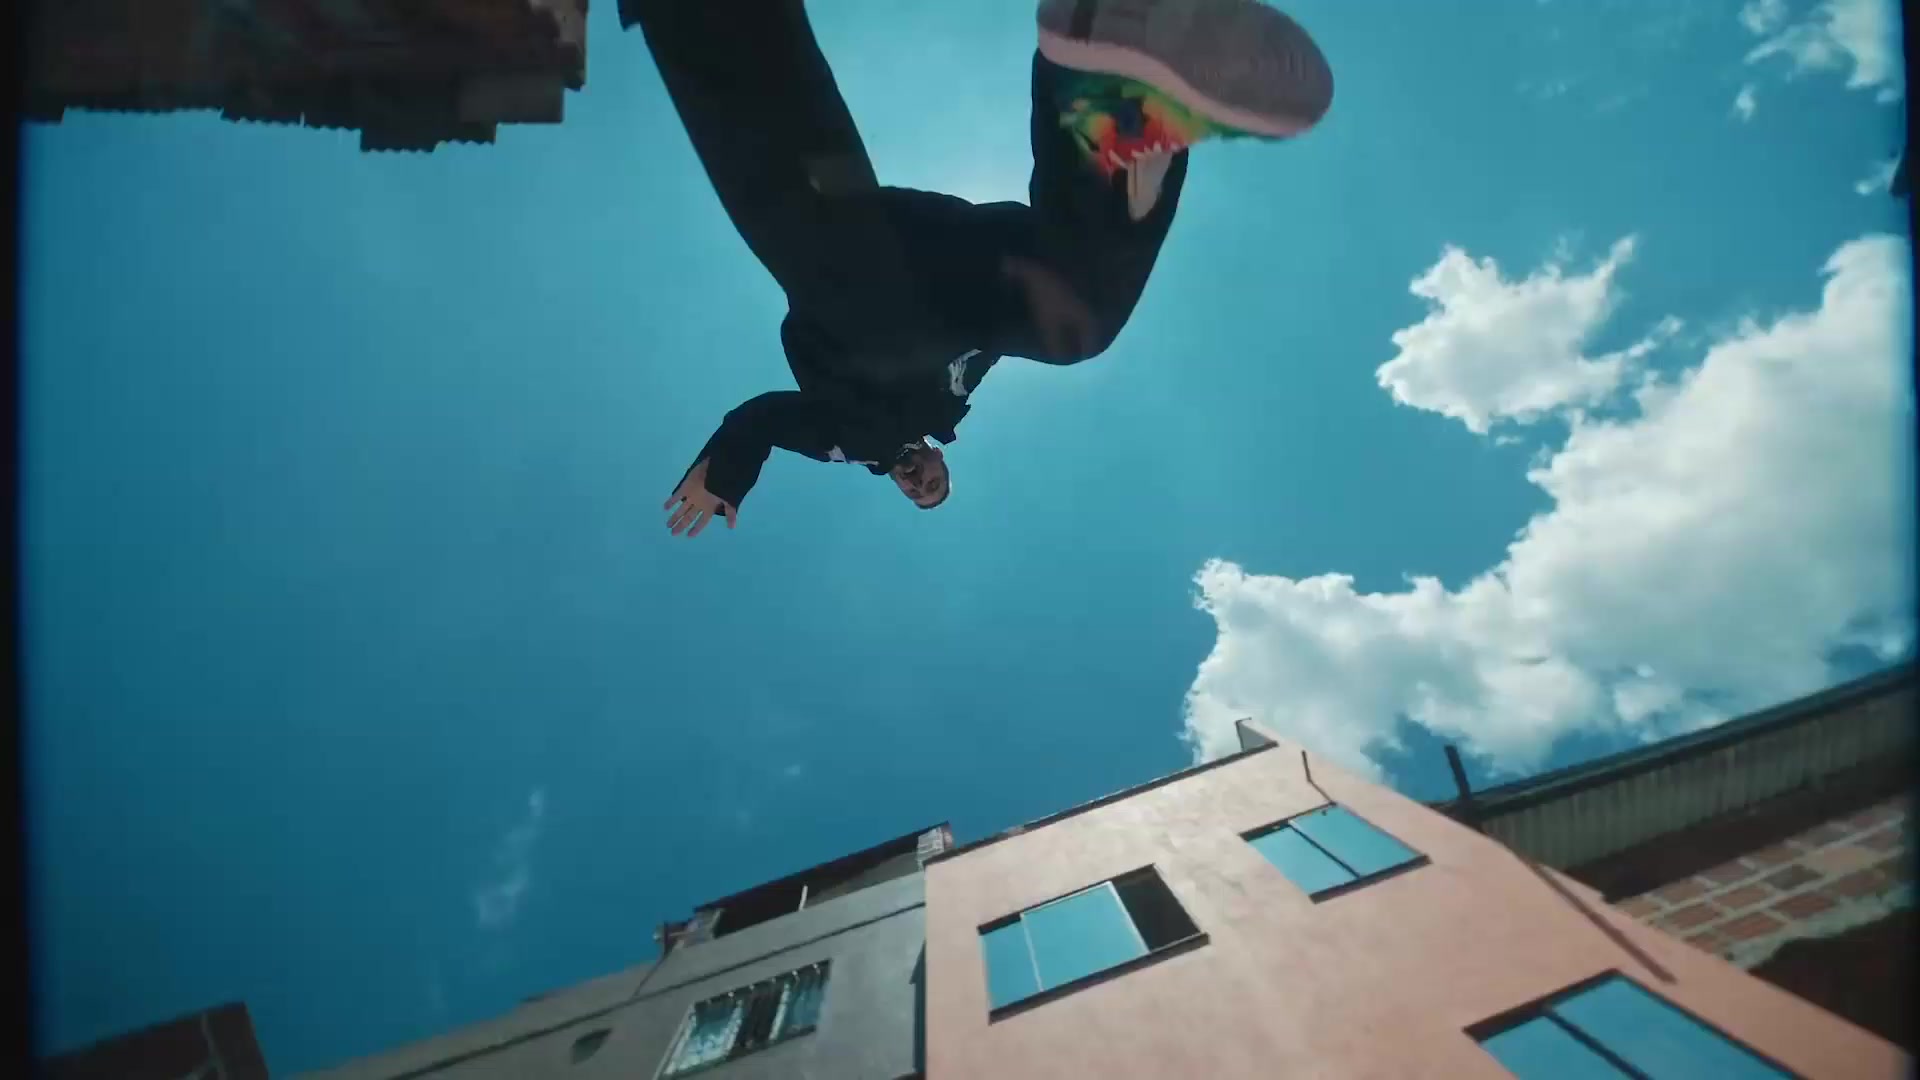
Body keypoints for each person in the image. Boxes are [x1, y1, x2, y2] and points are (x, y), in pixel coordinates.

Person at [633, 0, 1333, 537]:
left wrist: (726, 473)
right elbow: (996, 336)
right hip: (947, 258)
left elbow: (761, 419)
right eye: (933, 484)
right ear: (943, 463)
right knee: (1079, 329)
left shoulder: (845, 441)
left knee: (853, 275)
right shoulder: (951, 403)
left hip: (852, 278)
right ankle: (1110, 75)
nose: (919, 482)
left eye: (915, 492)